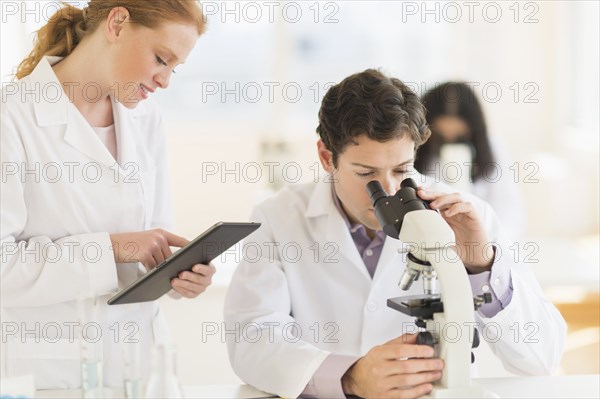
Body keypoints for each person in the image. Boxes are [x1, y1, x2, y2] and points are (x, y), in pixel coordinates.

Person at [224, 69, 566, 398]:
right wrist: (349, 376)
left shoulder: (465, 215)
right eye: (366, 173)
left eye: (402, 169)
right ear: (327, 157)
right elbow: (251, 340)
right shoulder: (278, 218)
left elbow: (542, 356)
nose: (387, 191)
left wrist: (481, 265)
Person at [0, 1, 215, 389]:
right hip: (50, 373)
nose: (165, 80)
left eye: (174, 68)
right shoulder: (11, 119)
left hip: (140, 362)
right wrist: (113, 249)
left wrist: (178, 274)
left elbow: (153, 239)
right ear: (117, 24)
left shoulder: (146, 120)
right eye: (160, 59)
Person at [415, 82, 526, 238]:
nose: (450, 145)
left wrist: (488, 248)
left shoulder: (493, 148)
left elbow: (510, 213)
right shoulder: (419, 155)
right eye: (441, 138)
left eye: (460, 138)